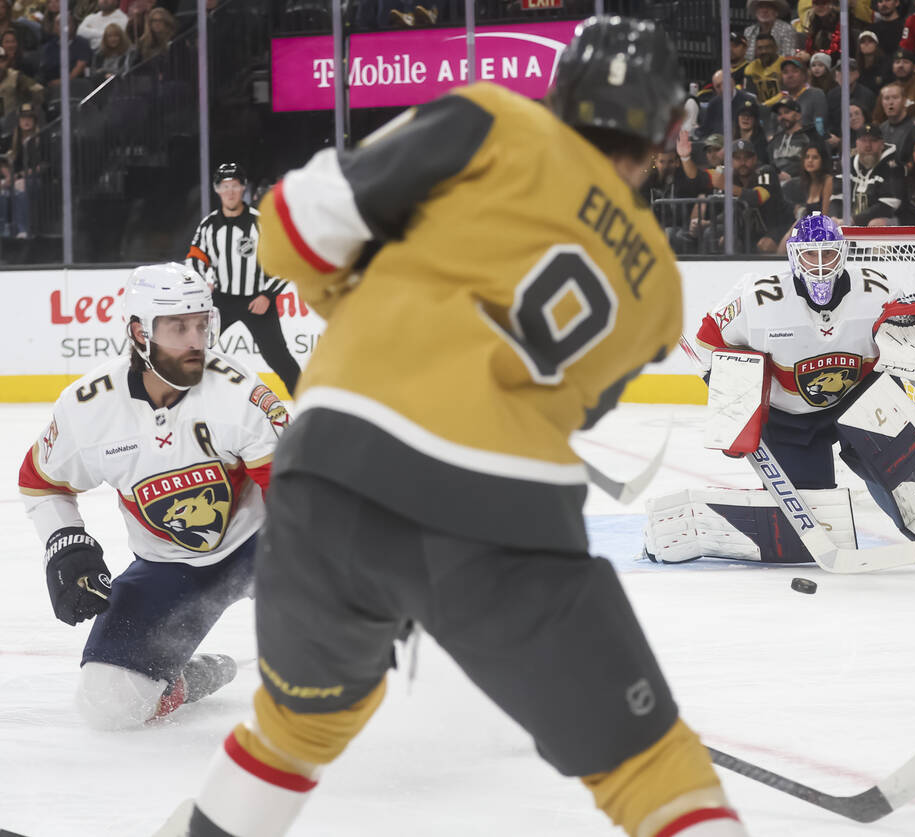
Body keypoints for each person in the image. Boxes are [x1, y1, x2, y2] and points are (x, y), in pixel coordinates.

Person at [161, 17, 755, 837]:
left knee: (292, 732)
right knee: (651, 767)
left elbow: (289, 228)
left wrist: (366, 291)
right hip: (502, 508)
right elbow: (564, 405)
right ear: (665, 131)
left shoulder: (493, 118)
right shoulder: (658, 288)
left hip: (332, 465)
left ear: (561, 91)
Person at [16, 262, 285, 730]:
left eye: (201, 323)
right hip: (169, 567)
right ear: (140, 332)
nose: (196, 340)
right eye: (179, 327)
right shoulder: (89, 410)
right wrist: (66, 542)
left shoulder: (239, 394)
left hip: (261, 548)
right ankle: (184, 680)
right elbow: (42, 482)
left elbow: (295, 496)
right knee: (108, 706)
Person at [644, 213, 915, 565]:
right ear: (793, 256)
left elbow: (913, 345)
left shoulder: (878, 291)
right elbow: (708, 342)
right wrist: (732, 397)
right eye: (809, 255)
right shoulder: (756, 298)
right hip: (790, 419)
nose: (819, 265)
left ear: (842, 253)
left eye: (827, 254)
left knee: (905, 470)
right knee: (809, 524)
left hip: (861, 402)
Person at [186, 162, 301, 397]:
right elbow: (195, 258)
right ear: (217, 190)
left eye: (235, 186)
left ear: (243, 188)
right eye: (225, 186)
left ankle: (306, 404)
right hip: (221, 301)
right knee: (193, 349)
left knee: (278, 358)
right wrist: (202, 283)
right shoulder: (209, 225)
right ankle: (183, 400)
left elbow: (284, 261)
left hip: (257, 301)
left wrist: (268, 295)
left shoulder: (261, 222)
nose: (230, 192)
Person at [830, 123, 904, 226]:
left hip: (887, 226)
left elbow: (889, 205)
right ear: (857, 143)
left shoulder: (893, 166)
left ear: (882, 144)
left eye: (873, 141)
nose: (868, 146)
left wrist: (853, 220)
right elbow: (836, 197)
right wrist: (834, 217)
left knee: (876, 224)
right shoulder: (847, 165)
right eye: (863, 140)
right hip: (849, 225)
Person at [873, 48, 915, 128]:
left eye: (905, 62)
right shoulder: (887, 90)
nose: (900, 65)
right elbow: (877, 119)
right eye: (897, 62)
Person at [780, 143, 834, 226]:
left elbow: (825, 217)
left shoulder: (828, 180)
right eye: (807, 157)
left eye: (815, 157)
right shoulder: (807, 182)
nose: (810, 160)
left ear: (823, 161)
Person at [878, 80, 915, 161]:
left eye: (895, 97)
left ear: (904, 101)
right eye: (886, 98)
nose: (891, 102)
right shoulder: (881, 129)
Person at [744, 32, 783, 102]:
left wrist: (766, 105)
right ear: (755, 50)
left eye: (767, 47)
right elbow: (749, 95)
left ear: (775, 48)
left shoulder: (785, 64)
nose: (764, 51)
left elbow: (787, 93)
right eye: (760, 48)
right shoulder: (750, 68)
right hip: (759, 107)